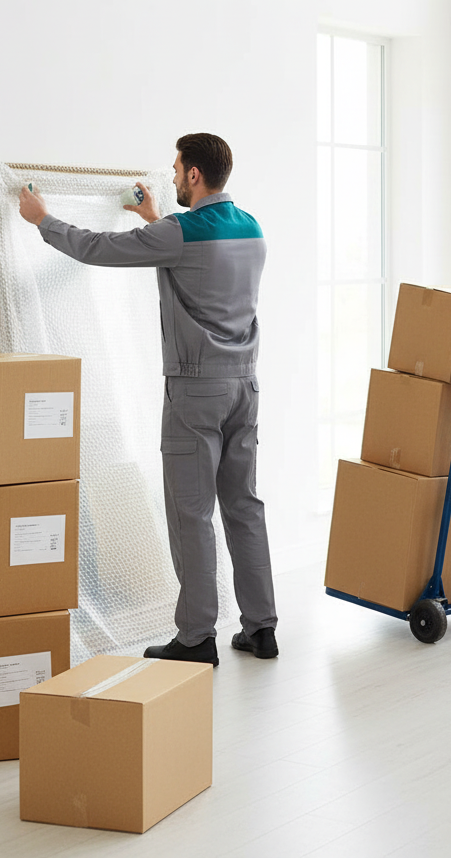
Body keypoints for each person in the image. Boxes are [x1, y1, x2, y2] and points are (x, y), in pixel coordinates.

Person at [18, 133, 278, 666]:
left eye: (178, 167)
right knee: (244, 507)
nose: (175, 173)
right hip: (244, 386)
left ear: (194, 176)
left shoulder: (178, 232)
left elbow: (97, 248)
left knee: (192, 514)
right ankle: (262, 628)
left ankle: (196, 637)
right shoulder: (251, 228)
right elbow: (190, 256)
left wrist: (42, 219)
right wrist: (154, 218)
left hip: (195, 392)